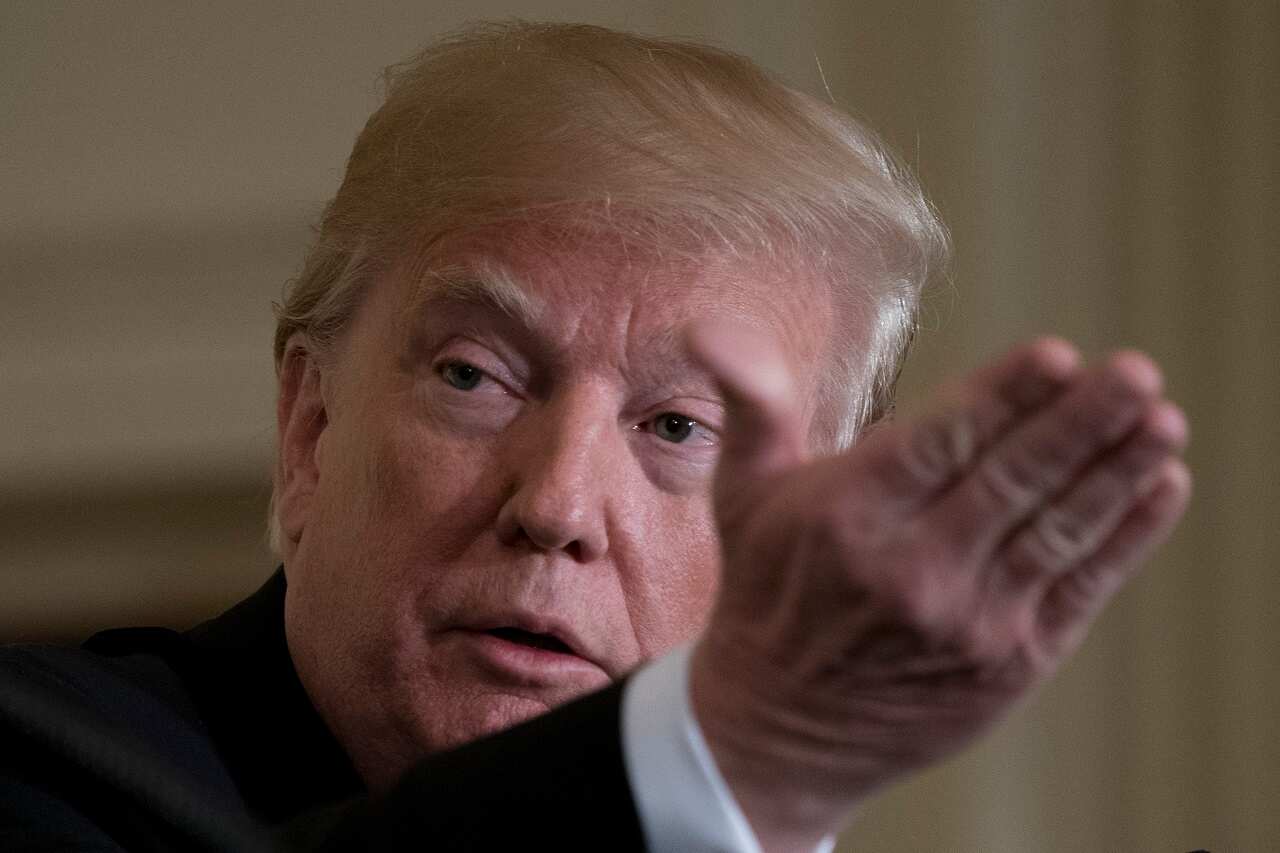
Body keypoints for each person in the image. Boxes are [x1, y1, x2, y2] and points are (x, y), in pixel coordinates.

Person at [0, 20, 1190, 852]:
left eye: (678, 424)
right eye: (474, 377)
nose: (557, 505)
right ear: (309, 428)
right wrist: (735, 752)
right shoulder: (48, 767)